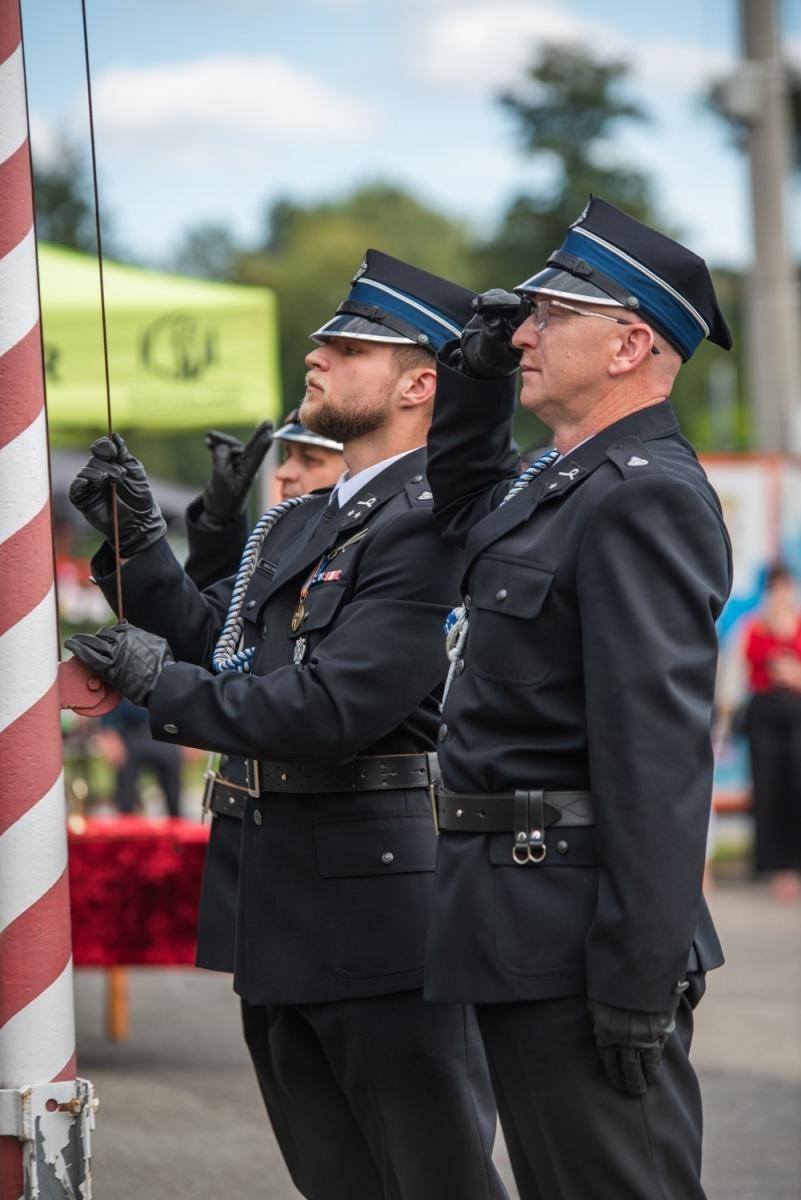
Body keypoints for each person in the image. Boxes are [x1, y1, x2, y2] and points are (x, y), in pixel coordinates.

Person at [65, 249, 509, 1200]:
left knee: (433, 1182)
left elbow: (332, 710)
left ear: (420, 383)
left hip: (382, 914)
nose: (316, 358)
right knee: (336, 1181)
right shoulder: (304, 521)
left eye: (347, 347)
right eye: (322, 343)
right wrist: (139, 546)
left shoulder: (433, 522)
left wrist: (157, 686)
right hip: (277, 902)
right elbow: (221, 650)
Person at [423, 196, 734, 1199]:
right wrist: (473, 385)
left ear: (628, 344)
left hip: (579, 933)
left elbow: (658, 760)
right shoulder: (558, 479)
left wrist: (639, 975)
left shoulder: (644, 493)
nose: (524, 332)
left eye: (549, 316)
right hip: (518, 915)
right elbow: (467, 509)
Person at [183, 413, 344, 971]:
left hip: (323, 834)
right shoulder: (291, 528)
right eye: (287, 459)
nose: (287, 475)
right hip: (247, 814)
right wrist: (218, 522)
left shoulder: (382, 536)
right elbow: (223, 625)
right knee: (267, 1037)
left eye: (311, 460)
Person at [184, 411, 344, 591]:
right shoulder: (279, 547)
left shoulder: (366, 553)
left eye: (310, 460)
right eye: (287, 456)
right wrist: (219, 526)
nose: (282, 473)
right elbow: (217, 614)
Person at [741, 563, 801, 900]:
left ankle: (793, 862)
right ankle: (772, 865)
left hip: (795, 714)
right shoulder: (754, 627)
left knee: (795, 784)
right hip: (763, 714)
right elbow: (742, 668)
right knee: (767, 788)